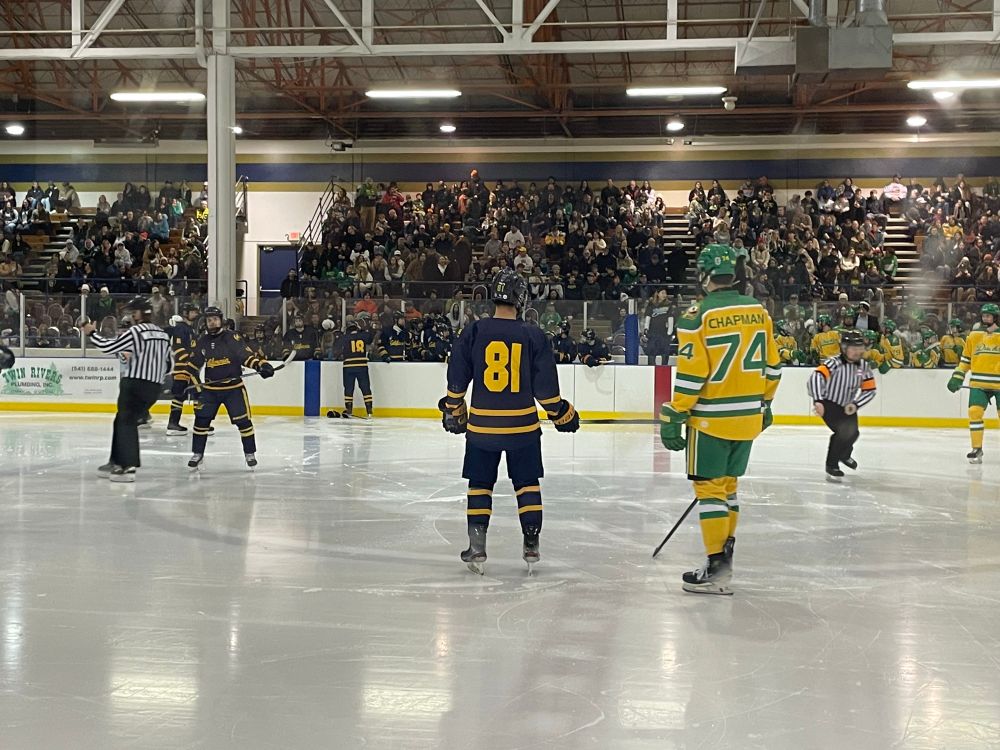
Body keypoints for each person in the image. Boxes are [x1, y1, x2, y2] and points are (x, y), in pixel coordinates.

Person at [439, 269, 579, 575]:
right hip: (523, 429)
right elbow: (546, 392)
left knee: (480, 484)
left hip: (482, 429)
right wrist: (562, 413)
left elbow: (458, 379)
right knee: (527, 483)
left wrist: (452, 409)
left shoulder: (474, 331)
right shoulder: (532, 334)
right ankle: (531, 543)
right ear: (521, 298)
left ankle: (477, 546)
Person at [659, 244, 781, 595]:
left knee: (709, 489)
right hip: (747, 418)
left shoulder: (697, 315)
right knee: (728, 488)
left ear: (703, 275)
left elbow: (692, 373)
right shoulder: (759, 311)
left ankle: (717, 568)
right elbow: (774, 367)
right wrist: (766, 405)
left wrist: (675, 413)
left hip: (710, 420)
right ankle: (724, 558)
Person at [82, 297, 171, 483]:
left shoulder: (136, 331)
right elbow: (169, 365)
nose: (131, 316)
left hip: (134, 384)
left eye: (133, 313)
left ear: (139, 314)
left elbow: (108, 347)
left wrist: (92, 333)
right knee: (122, 420)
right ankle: (115, 460)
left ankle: (127, 466)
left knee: (127, 421)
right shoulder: (163, 334)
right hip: (154, 387)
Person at [181, 307, 274, 470]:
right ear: (206, 322)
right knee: (201, 421)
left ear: (221, 319)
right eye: (209, 320)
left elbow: (245, 356)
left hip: (234, 389)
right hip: (210, 390)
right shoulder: (201, 340)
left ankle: (250, 453)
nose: (212, 322)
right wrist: (187, 383)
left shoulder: (232, 337)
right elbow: (193, 365)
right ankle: (197, 453)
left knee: (244, 422)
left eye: (215, 319)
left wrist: (261, 365)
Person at [808, 329, 877, 481]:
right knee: (843, 432)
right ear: (844, 348)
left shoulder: (863, 367)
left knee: (854, 433)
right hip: (829, 403)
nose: (858, 352)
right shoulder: (834, 363)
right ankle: (832, 464)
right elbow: (816, 377)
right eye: (854, 348)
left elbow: (870, 390)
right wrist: (818, 400)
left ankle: (844, 455)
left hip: (847, 405)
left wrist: (856, 404)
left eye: (860, 348)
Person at [947, 302, 1000, 464]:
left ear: (996, 317)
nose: (986, 318)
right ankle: (977, 448)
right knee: (974, 413)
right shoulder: (974, 336)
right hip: (978, 383)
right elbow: (965, 360)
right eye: (984, 315)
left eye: (989, 316)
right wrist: (957, 376)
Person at [165, 303, 202, 436]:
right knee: (199, 394)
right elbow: (178, 348)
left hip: (187, 368)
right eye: (193, 311)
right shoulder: (181, 328)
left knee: (180, 396)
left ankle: (173, 423)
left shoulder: (189, 329)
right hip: (185, 368)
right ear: (186, 313)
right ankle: (200, 425)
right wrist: (190, 361)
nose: (196, 314)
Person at [338, 319, 374, 419]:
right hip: (362, 366)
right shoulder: (363, 335)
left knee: (349, 389)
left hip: (348, 367)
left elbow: (336, 349)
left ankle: (349, 410)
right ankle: (369, 411)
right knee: (366, 388)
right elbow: (370, 338)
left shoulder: (344, 337)